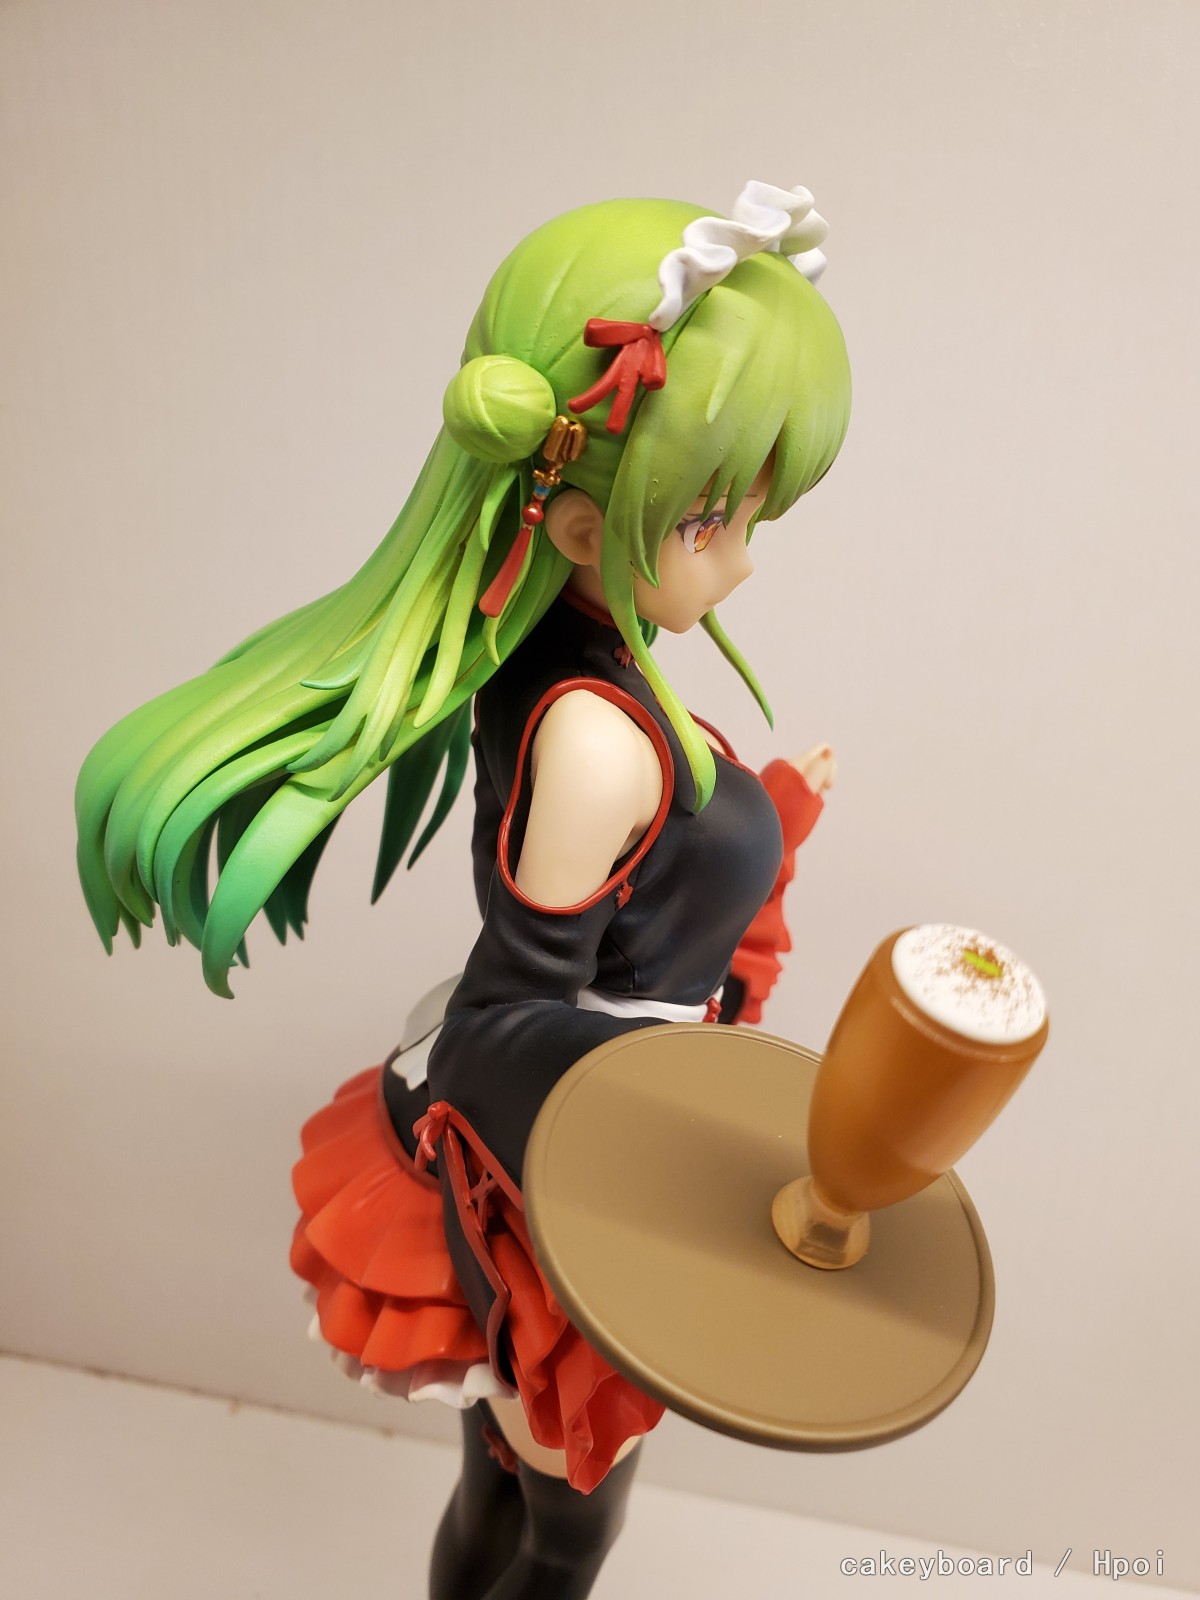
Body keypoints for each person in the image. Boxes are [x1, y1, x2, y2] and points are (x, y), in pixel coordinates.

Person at [76, 182, 852, 1599]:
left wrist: (762, 817)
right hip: (567, 1157)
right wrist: (704, 1127)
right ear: (579, 528)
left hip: (578, 1128)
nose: (743, 558)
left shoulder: (575, 663)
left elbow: (629, 901)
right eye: (712, 521)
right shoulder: (594, 738)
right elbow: (518, 1009)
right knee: (570, 1524)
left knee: (507, 1485)